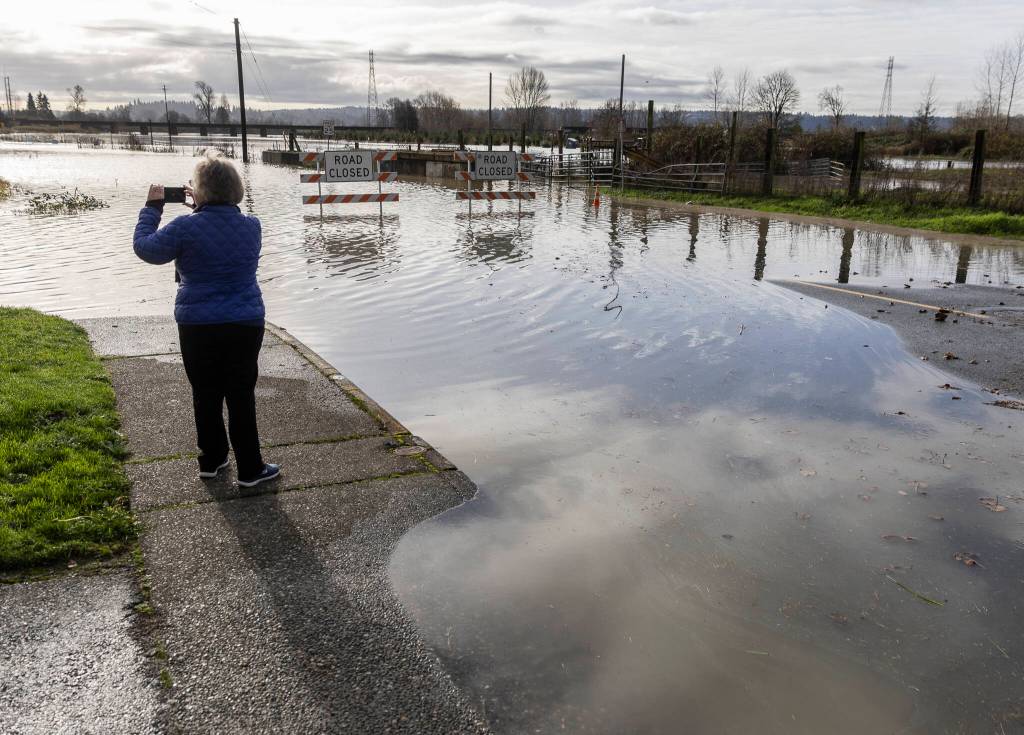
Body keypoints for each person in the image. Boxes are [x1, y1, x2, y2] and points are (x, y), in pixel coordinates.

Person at [133, 152, 280, 488]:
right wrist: (203, 209)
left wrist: (152, 207)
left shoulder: (185, 228)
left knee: (205, 392)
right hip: (245, 322)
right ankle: (251, 468)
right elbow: (218, 233)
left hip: (197, 324)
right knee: (241, 394)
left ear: (197, 192)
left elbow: (145, 248)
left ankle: (212, 460)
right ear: (237, 190)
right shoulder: (252, 226)